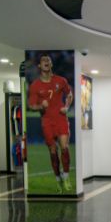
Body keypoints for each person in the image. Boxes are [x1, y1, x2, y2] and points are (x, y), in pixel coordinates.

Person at [27, 53, 74, 192]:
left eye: (48, 60)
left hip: (61, 119)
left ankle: (66, 178)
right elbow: (31, 105)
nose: (46, 62)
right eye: (43, 60)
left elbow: (69, 95)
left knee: (64, 147)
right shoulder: (35, 85)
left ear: (51, 64)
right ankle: (58, 179)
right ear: (39, 66)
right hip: (46, 121)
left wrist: (66, 107)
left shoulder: (61, 80)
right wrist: (41, 106)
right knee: (53, 151)